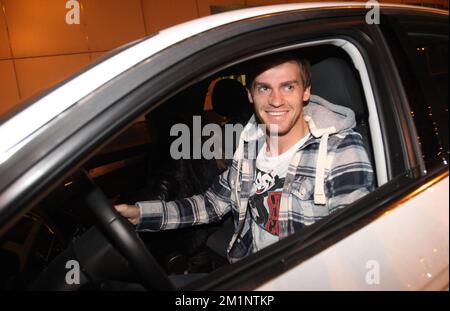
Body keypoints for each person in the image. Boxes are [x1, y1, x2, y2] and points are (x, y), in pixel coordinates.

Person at [115, 54, 375, 263]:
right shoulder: (250, 143)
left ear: (305, 92)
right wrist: (142, 214)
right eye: (264, 88)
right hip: (248, 266)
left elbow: (354, 247)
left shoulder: (340, 150)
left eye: (288, 86)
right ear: (250, 94)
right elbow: (212, 204)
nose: (276, 100)